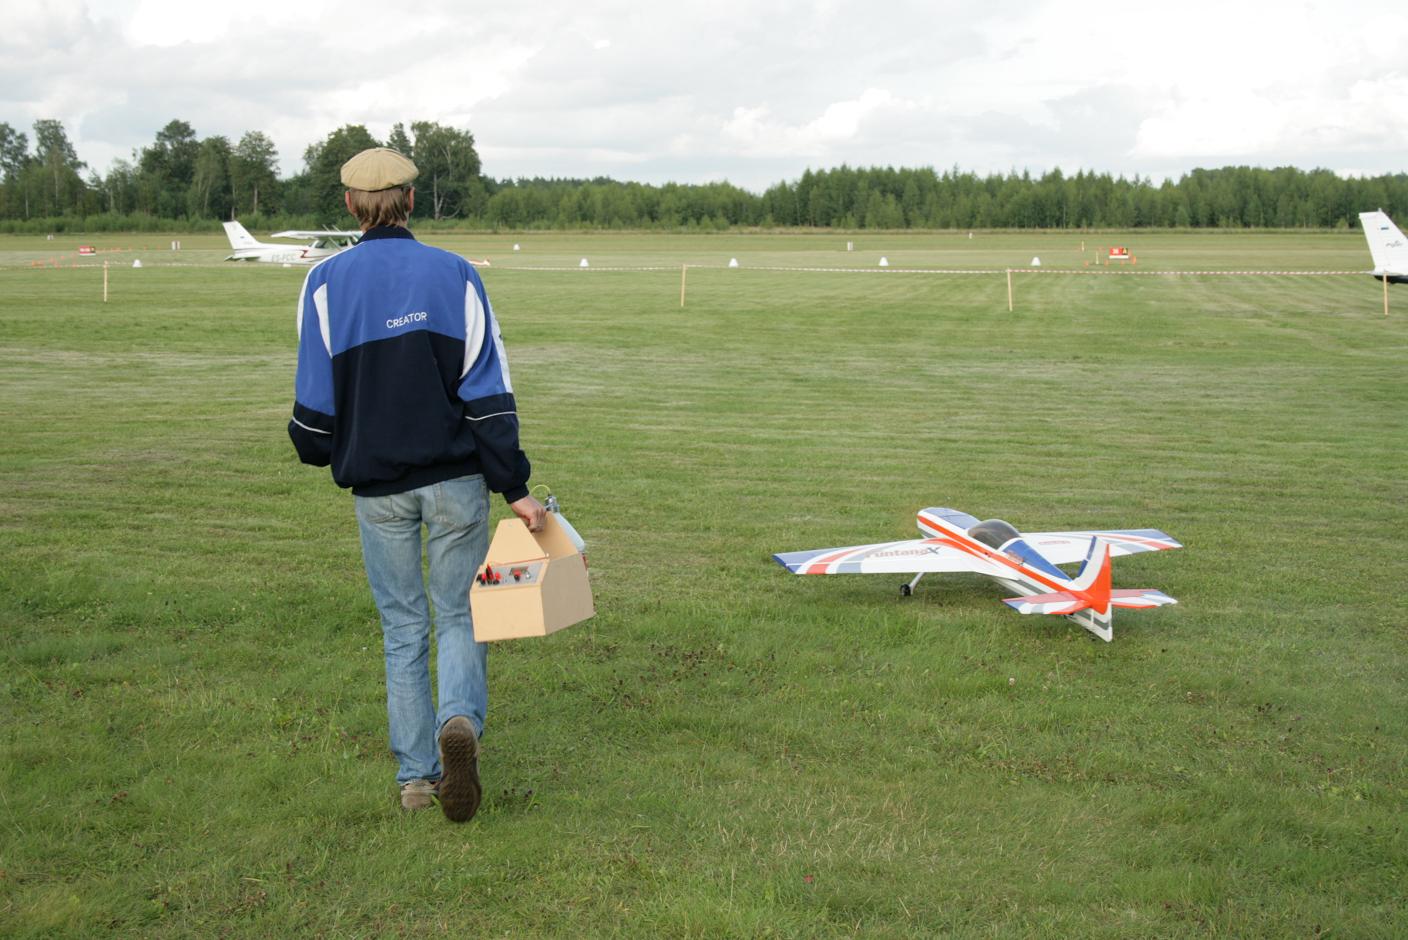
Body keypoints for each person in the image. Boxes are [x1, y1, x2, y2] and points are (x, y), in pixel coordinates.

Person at [287, 147, 545, 822]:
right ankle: (459, 721)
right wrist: (514, 486)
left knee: (404, 628)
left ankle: (416, 780)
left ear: (350, 204)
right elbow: (489, 390)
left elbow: (314, 405)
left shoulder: (323, 282)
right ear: (409, 201)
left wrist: (317, 446)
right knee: (461, 613)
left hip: (377, 489)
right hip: (457, 480)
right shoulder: (455, 274)